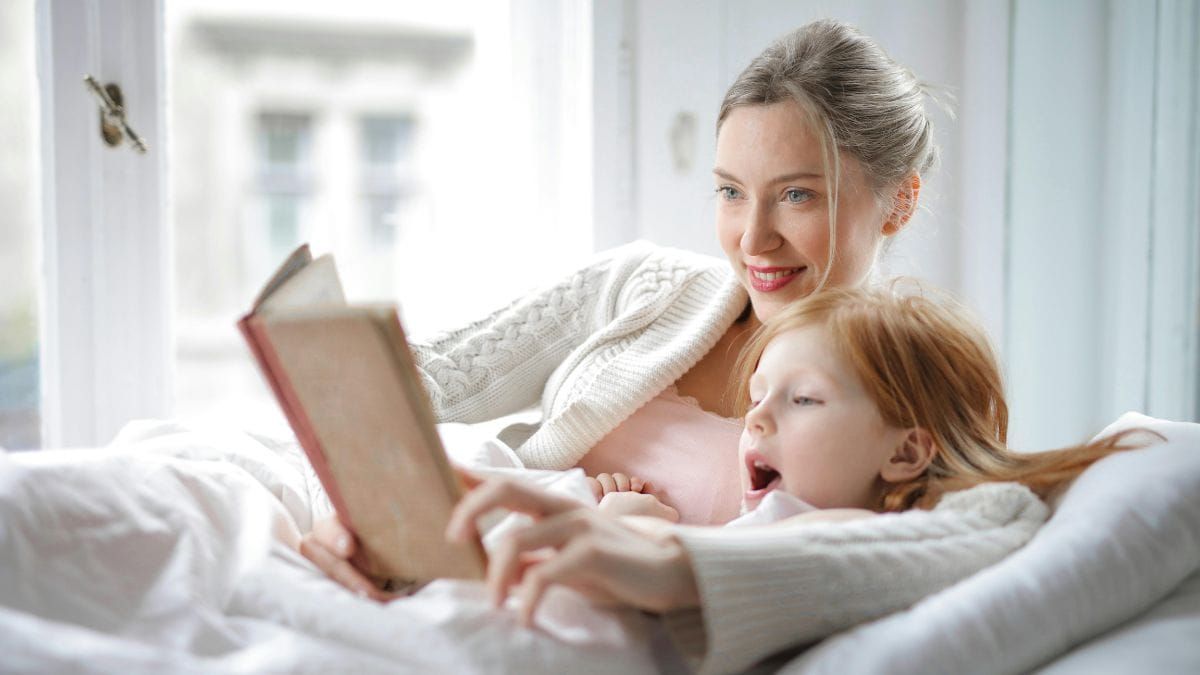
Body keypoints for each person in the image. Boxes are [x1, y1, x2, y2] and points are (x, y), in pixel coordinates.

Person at [302, 16, 940, 590]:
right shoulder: (642, 285)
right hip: (458, 574)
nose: (752, 239)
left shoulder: (908, 396)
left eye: (797, 195)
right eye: (730, 192)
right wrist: (357, 520)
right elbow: (410, 392)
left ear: (900, 201)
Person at [445, 284, 1154, 673]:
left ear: (906, 453)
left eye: (803, 398)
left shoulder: (858, 529)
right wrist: (646, 524)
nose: (755, 420)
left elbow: (994, 517)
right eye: (756, 395)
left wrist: (652, 541)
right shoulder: (767, 521)